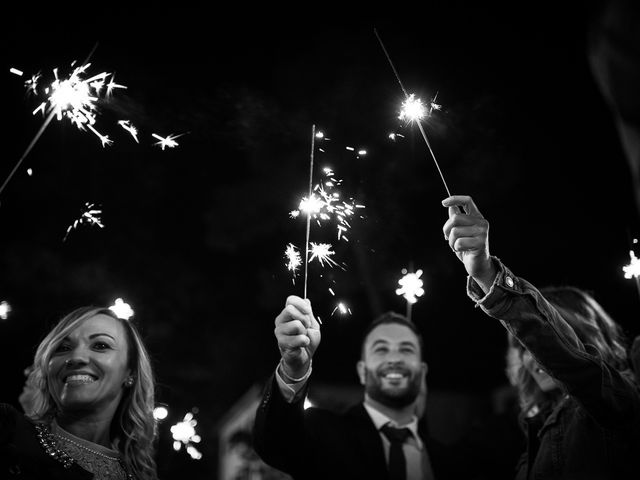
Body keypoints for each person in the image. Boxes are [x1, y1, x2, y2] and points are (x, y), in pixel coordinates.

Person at [441, 194, 640, 479]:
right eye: (522, 344)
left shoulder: (620, 403)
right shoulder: (533, 426)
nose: (533, 353)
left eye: (539, 336)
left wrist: (486, 273)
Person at [253, 296, 451, 480]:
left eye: (406, 349)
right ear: (362, 370)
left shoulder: (450, 460)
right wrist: (292, 370)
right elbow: (277, 441)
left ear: (422, 370)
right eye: (381, 349)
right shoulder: (326, 434)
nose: (394, 359)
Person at [0, 306, 158, 480]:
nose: (75, 357)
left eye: (100, 345)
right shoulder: (8, 430)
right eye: (63, 347)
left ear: (131, 373)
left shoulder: (139, 475)